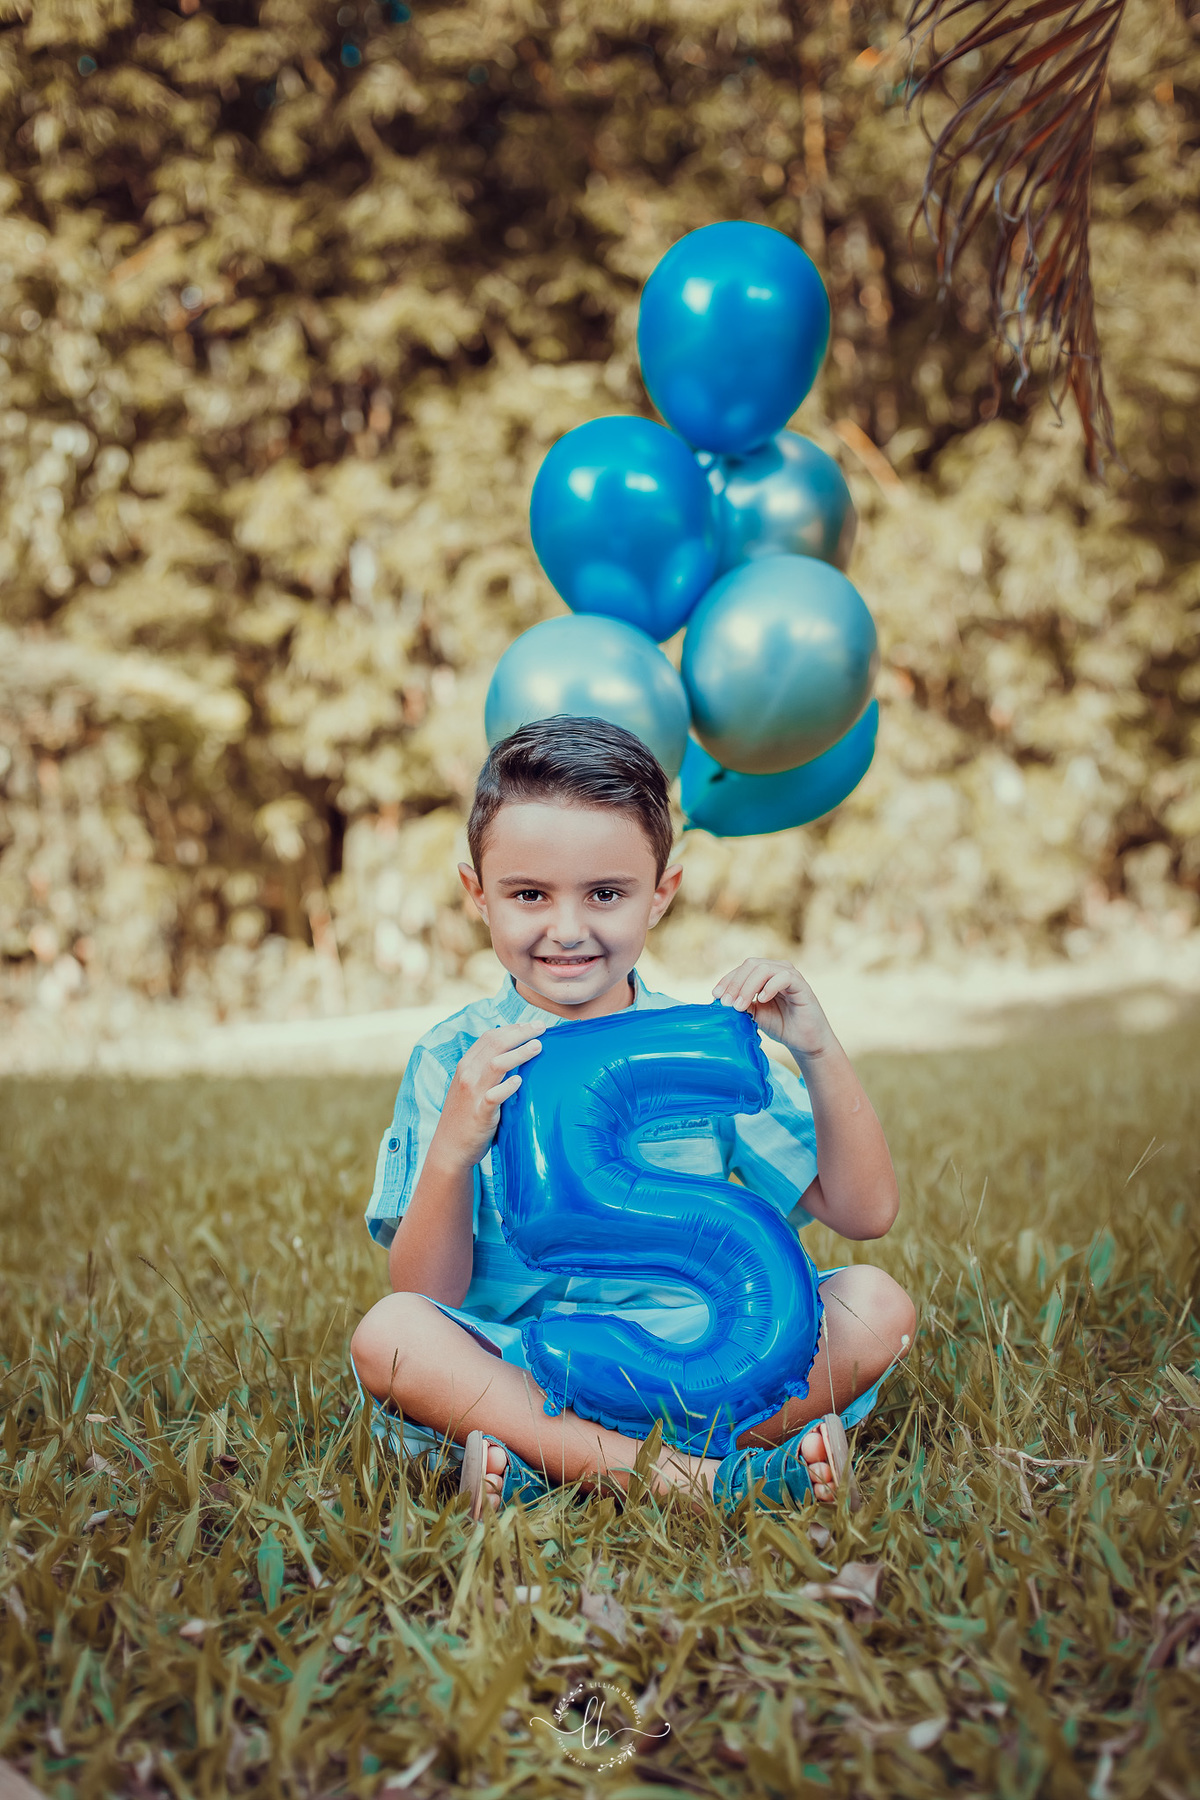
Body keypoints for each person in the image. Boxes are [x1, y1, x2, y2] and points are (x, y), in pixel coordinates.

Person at [351, 715, 915, 1519]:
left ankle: (562, 1465)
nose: (568, 929)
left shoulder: (700, 1049)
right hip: (523, 1369)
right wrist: (451, 1151)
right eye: (529, 895)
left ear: (662, 895)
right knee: (393, 1332)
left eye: (606, 894)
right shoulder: (455, 1058)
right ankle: (715, 1476)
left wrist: (818, 1049)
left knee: (878, 1304)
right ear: (479, 896)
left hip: (708, 1359)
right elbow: (428, 1290)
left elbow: (866, 1212)